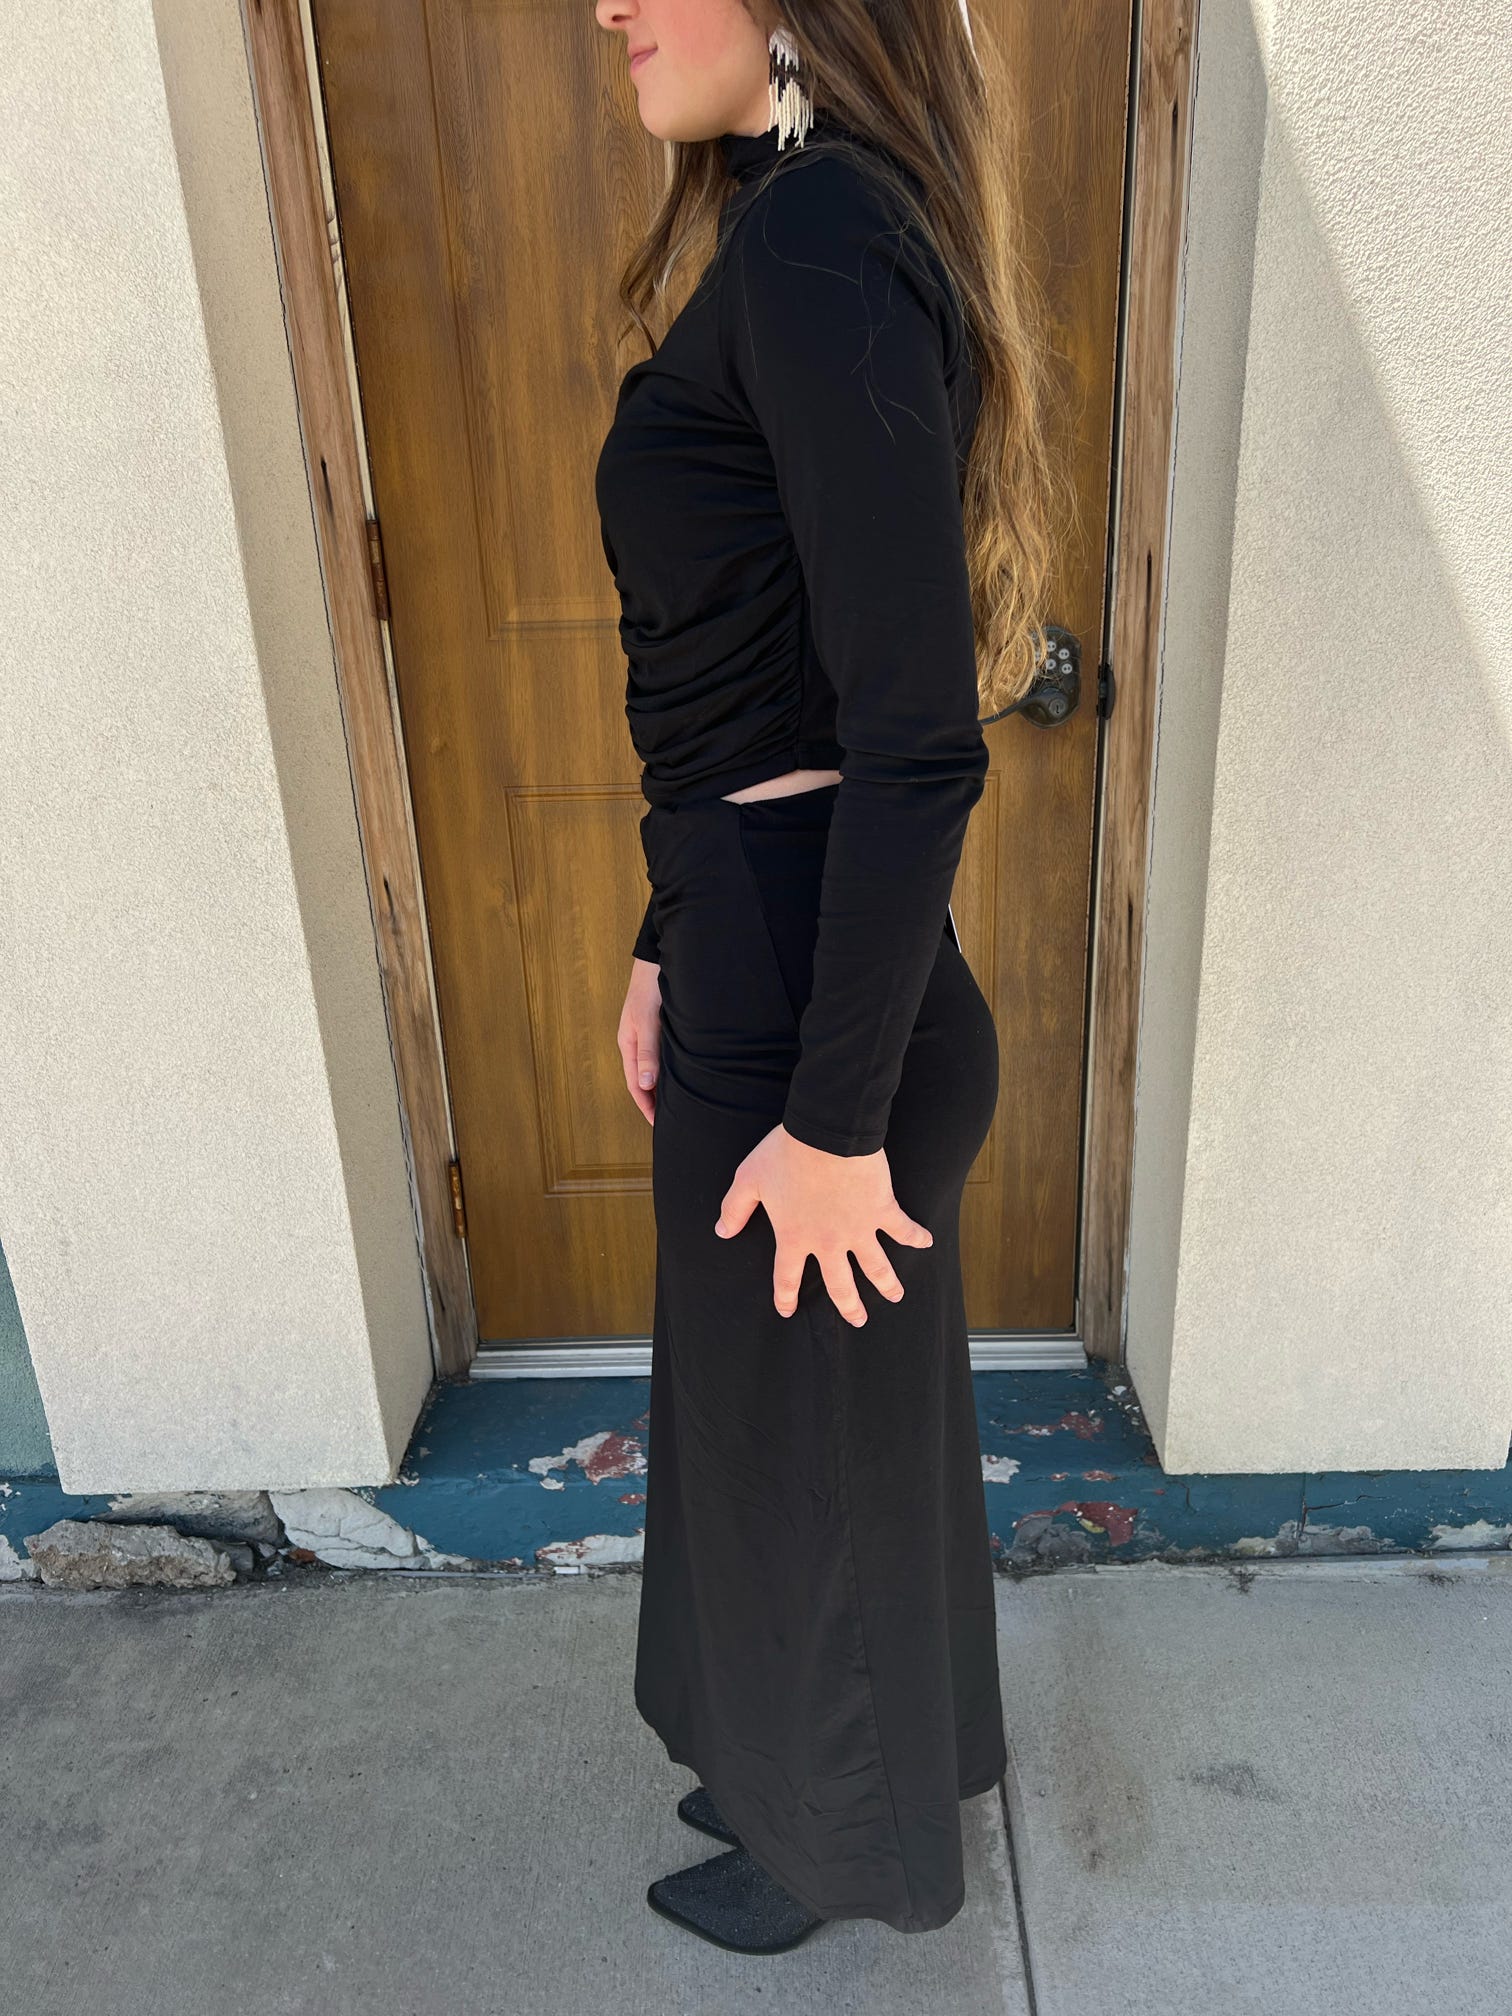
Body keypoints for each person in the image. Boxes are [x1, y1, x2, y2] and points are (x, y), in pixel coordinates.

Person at [592, 0, 1060, 1958]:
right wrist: (663, 932)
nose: (610, 8)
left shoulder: (818, 237)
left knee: (808, 1466)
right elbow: (748, 673)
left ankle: (834, 1847)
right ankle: (863, 1763)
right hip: (756, 939)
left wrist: (834, 1121)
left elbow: (916, 737)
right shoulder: (806, 230)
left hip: (810, 1002)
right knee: (810, 1435)